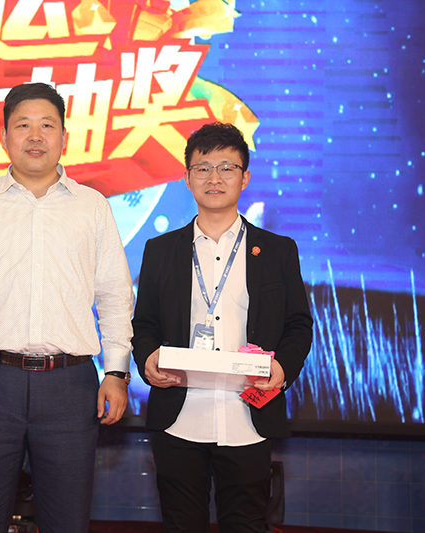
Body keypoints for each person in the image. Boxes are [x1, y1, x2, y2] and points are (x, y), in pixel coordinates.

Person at [0, 82, 134, 533]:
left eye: (47, 125)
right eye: (23, 125)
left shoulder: (92, 207)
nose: (35, 136)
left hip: (70, 386)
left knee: (68, 521)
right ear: (5, 136)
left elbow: (115, 295)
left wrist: (117, 372)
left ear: (64, 137)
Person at [131, 122, 313, 532]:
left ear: (244, 178)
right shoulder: (160, 251)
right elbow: (144, 325)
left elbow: (299, 325)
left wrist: (282, 369)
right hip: (179, 416)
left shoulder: (278, 251)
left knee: (246, 524)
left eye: (227, 168)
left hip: (247, 417)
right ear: (187, 178)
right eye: (203, 168)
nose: (214, 178)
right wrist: (148, 359)